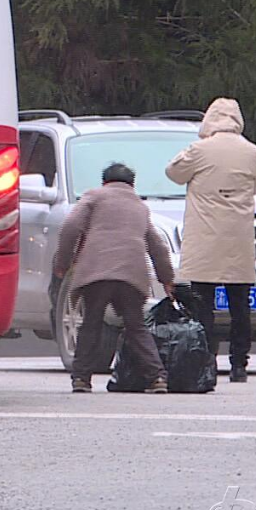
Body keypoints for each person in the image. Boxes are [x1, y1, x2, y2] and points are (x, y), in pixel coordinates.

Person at [51, 163, 178, 394]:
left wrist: (63, 263)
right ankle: (157, 377)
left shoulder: (94, 197)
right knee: (136, 325)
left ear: (104, 182)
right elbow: (157, 245)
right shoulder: (140, 206)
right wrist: (167, 279)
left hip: (96, 272)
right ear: (132, 184)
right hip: (132, 274)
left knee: (91, 322)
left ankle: (81, 378)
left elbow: (70, 227)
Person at [166, 98, 256, 383]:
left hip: (205, 238)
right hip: (238, 239)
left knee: (202, 304)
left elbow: (173, 173)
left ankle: (207, 359)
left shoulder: (198, 150)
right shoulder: (251, 151)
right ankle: (239, 364)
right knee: (239, 305)